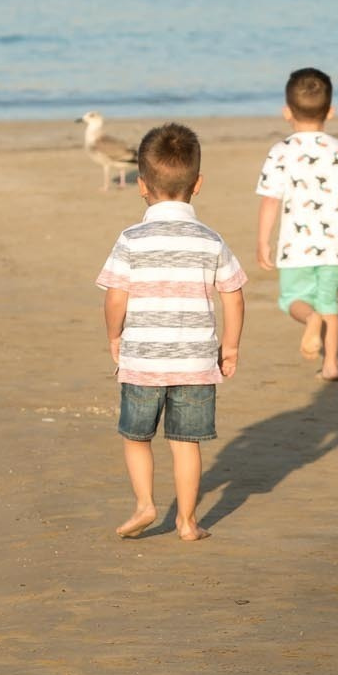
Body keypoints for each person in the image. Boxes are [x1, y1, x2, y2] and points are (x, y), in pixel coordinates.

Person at [96, 122, 246, 541]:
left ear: (141, 185)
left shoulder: (131, 239)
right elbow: (233, 296)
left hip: (143, 359)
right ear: (197, 184)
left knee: (136, 436)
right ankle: (187, 521)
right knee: (185, 442)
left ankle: (145, 503)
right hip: (195, 362)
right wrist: (230, 347)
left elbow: (115, 298)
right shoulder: (211, 240)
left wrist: (114, 336)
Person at [254, 67, 338, 383]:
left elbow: (270, 201)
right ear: (331, 112)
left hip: (295, 245)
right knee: (330, 303)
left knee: (292, 300)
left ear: (287, 113)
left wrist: (263, 241)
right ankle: (331, 365)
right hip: (335, 245)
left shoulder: (280, 152)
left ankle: (310, 319)